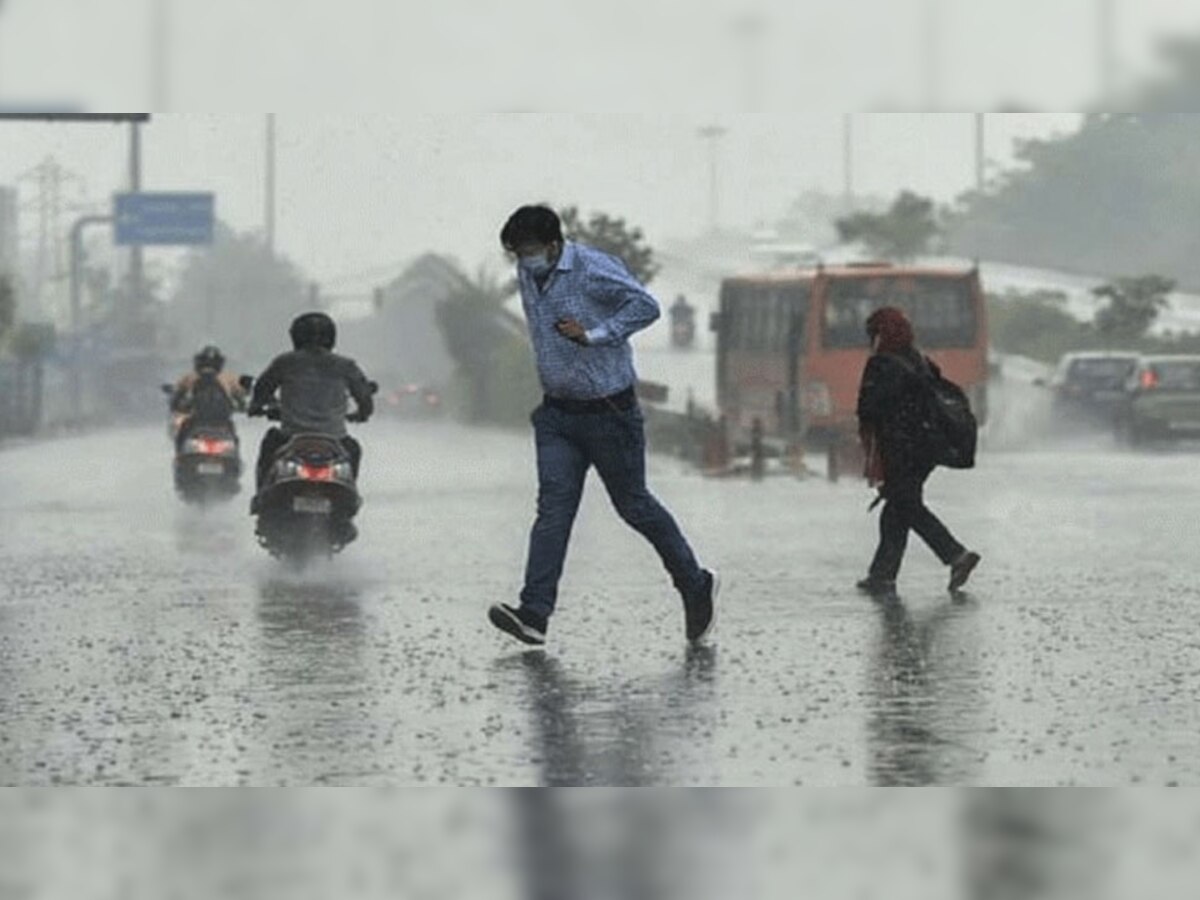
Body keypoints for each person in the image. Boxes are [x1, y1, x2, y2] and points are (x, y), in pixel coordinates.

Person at [487, 205, 718, 648]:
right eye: (517, 254)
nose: (524, 261)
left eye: (530, 251)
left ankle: (695, 584)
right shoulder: (527, 273)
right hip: (557, 415)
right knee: (553, 512)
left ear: (554, 246)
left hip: (610, 412)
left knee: (634, 506)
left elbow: (646, 306)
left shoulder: (592, 269)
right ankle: (534, 612)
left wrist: (595, 334)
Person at [855, 306, 981, 596]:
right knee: (897, 508)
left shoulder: (882, 364)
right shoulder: (918, 360)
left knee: (906, 506)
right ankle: (882, 575)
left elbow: (868, 408)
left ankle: (956, 555)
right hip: (927, 449)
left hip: (900, 449)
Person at [247, 312, 374, 512]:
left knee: (269, 444)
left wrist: (257, 406)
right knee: (354, 450)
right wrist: (363, 414)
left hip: (289, 437)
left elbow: (262, 389)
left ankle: (260, 499)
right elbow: (365, 397)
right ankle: (349, 503)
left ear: (296, 336)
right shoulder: (346, 365)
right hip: (335, 439)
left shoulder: (285, 362)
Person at [170, 345, 246, 448]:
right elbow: (241, 397)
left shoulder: (190, 377)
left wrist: (179, 406)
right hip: (222, 421)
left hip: (197, 420)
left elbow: (177, 396)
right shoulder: (229, 378)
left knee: (182, 433)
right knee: (233, 437)